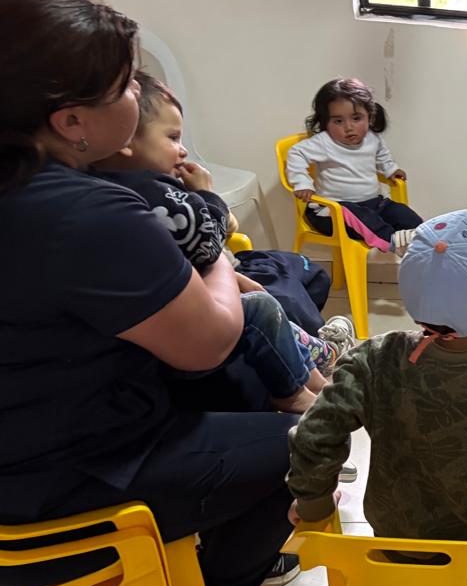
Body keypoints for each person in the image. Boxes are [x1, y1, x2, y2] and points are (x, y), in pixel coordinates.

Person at [0, 0, 298, 586]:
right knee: (305, 442)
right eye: (126, 84)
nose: (139, 91)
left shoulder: (42, 187)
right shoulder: (83, 213)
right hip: (51, 486)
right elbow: (209, 338)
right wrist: (217, 250)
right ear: (71, 121)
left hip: (29, 441)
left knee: (245, 380)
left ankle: (235, 544)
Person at [287, 204, 467, 559]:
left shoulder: (374, 358)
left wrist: (314, 503)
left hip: (397, 545)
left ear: (411, 301)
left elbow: (316, 431)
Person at [95, 72, 357, 415]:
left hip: (181, 305)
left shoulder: (101, 186)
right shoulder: (151, 191)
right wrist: (207, 194)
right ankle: (295, 390)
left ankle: (316, 372)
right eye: (172, 137)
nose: (183, 150)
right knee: (264, 307)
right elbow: (208, 242)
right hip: (192, 327)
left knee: (273, 292)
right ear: (126, 139)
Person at [286, 77, 421, 247]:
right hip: (331, 212)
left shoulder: (372, 138)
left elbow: (382, 155)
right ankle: (392, 243)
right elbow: (296, 153)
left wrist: (390, 169)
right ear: (325, 122)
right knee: (358, 215)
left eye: (356, 118)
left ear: (369, 117)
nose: (349, 127)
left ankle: (423, 239)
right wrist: (302, 182)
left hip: (373, 204)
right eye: (338, 121)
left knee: (401, 213)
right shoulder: (324, 142)